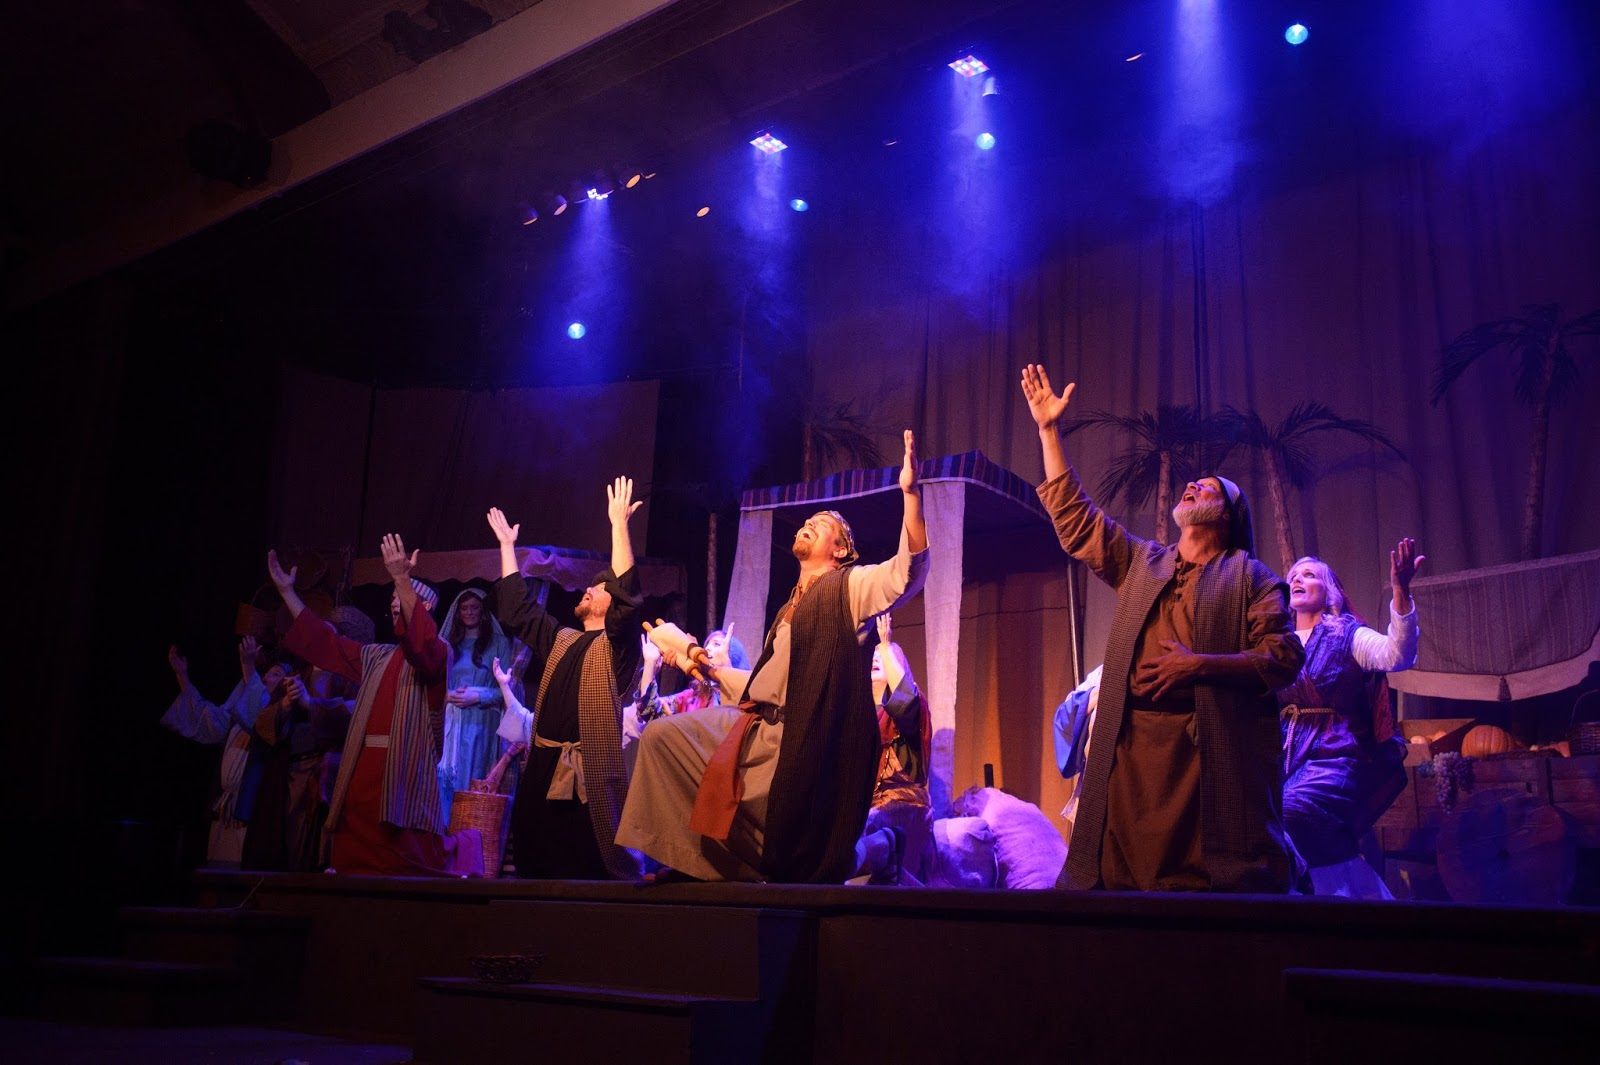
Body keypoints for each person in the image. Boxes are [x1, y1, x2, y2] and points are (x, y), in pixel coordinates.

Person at [1021, 365, 1305, 892]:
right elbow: (1078, 521)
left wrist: (1199, 666)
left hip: (1200, 765)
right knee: (1117, 886)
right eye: (1192, 483)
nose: (1192, 484)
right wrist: (1048, 432)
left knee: (1196, 890)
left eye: (1208, 487)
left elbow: (1284, 655)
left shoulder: (1252, 577)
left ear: (1228, 515)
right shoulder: (1142, 563)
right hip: (1129, 757)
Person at [619, 430, 929, 884]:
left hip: (803, 742)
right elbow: (760, 686)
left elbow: (907, 573)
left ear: (840, 550)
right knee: (663, 739)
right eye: (809, 520)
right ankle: (692, 862)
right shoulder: (787, 611)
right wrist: (692, 657)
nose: (810, 523)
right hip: (761, 728)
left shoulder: (849, 587)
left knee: (803, 861)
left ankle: (875, 850)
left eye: (823, 523)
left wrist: (911, 495)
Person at [270, 535, 481, 877]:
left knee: (401, 859)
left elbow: (420, 644)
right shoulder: (377, 656)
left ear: (425, 608)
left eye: (404, 597)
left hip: (402, 770)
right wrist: (288, 594)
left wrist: (401, 578)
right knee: (353, 853)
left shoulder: (439, 653)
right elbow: (326, 643)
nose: (396, 601)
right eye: (394, 596)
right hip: (363, 766)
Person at [487, 476, 644, 880]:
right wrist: (507, 546)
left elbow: (628, 599)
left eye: (600, 587)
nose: (589, 588)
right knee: (536, 863)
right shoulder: (562, 639)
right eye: (591, 585)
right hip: (543, 768)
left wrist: (618, 526)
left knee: (587, 865)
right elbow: (518, 610)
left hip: (590, 776)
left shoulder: (619, 647)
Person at [1280, 542, 1423, 897]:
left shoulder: (1347, 634)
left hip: (1334, 755)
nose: (1297, 580)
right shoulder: (1277, 642)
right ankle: (1352, 898)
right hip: (1281, 756)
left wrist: (1401, 592)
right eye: (1293, 576)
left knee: (1292, 809)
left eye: (1309, 575)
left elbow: (1398, 654)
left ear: (1330, 591)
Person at [162, 637, 283, 867]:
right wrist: (182, 676)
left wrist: (248, 666)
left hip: (248, 808)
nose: (266, 677)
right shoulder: (240, 715)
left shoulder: (272, 718)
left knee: (239, 871)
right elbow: (210, 720)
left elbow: (260, 717)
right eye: (266, 673)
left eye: (276, 674)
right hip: (224, 807)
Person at [852, 612, 933, 885]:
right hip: (867, 807)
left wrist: (887, 645)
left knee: (867, 829)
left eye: (884, 658)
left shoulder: (907, 710)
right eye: (873, 655)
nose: (876, 658)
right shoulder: (857, 715)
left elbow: (905, 700)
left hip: (902, 809)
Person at [435, 588, 515, 815]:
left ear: (483, 611)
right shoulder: (449, 643)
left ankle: (468, 829)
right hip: (451, 720)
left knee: (472, 773)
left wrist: (478, 696)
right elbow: (436, 682)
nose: (469, 612)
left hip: (480, 722)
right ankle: (444, 827)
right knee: (446, 775)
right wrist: (446, 695)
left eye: (474, 608)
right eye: (464, 608)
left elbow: (506, 691)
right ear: (458, 612)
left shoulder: (499, 643)